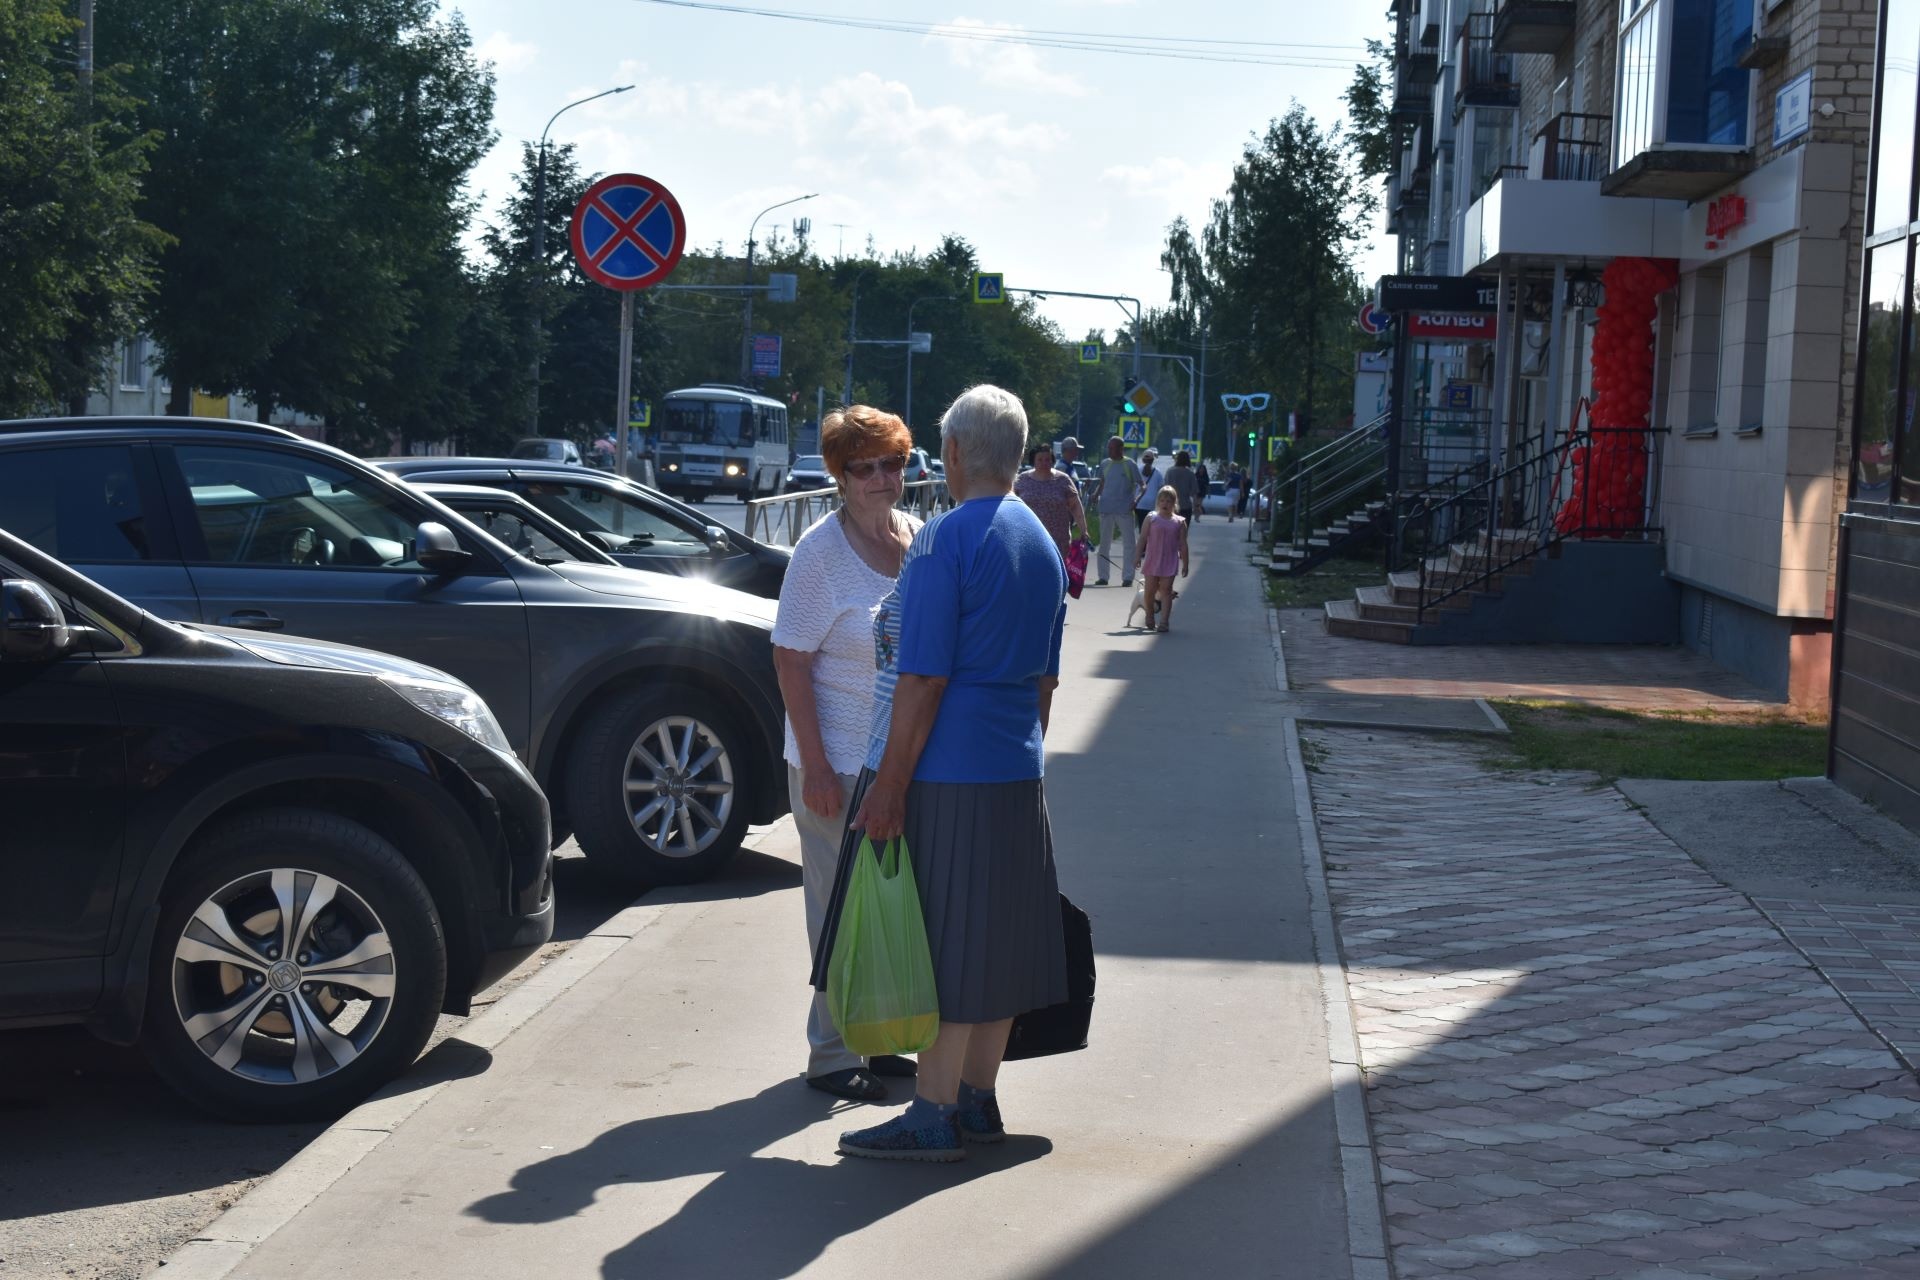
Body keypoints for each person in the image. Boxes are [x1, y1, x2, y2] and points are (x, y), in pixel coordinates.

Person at [825, 384, 1070, 1162]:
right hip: (1014, 769)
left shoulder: (942, 541)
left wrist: (890, 785)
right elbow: (1044, 683)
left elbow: (923, 679)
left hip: (946, 772)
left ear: (955, 453)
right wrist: (1022, 756)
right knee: (995, 944)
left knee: (948, 947)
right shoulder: (1041, 540)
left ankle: (931, 1113)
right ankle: (978, 1099)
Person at [771, 405, 924, 1104]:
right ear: (839, 475)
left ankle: (878, 1036)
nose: (882, 479)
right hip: (833, 759)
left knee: (887, 907)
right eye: (865, 467)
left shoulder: (914, 538)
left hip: (896, 764)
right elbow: (791, 661)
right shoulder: (819, 553)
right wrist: (820, 768)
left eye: (892, 463)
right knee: (837, 909)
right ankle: (830, 1055)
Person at [1013, 442, 1086, 557]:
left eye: (1047, 459)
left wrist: (1083, 529)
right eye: (1040, 459)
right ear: (1033, 461)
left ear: (1052, 460)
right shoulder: (1022, 480)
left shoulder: (1063, 480)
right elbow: (1011, 505)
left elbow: (1075, 505)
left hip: (1057, 539)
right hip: (1028, 537)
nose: (1044, 463)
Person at [1135, 484, 1189, 633]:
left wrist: (1186, 563)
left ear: (1174, 503)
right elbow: (1142, 539)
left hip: (1169, 562)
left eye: (1169, 501)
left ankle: (1164, 621)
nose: (1165, 504)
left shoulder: (1180, 522)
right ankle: (1150, 615)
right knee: (1150, 590)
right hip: (1152, 560)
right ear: (1158, 502)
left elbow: (1183, 544)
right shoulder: (1151, 518)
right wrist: (1137, 556)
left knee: (1166, 591)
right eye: (1163, 500)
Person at [1091, 435, 1140, 586]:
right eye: (1109, 448)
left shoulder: (1129, 464)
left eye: (1113, 448)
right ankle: (1103, 577)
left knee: (1129, 544)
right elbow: (1102, 482)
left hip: (1124, 510)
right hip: (1106, 508)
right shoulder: (1105, 464)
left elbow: (1141, 485)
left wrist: (1136, 500)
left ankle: (1128, 577)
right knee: (1104, 544)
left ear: (1121, 449)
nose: (1110, 451)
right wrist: (1096, 494)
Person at [1166, 450, 1198, 523]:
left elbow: (1165, 489)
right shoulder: (1190, 473)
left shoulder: (1170, 472)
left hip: (1171, 505)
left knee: (1171, 530)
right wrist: (1196, 507)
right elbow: (1194, 492)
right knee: (1183, 530)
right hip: (1185, 506)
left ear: (1177, 459)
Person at [1133, 449, 1162, 530]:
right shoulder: (1158, 473)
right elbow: (1161, 490)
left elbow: (1133, 486)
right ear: (1153, 460)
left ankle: (1142, 541)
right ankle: (1148, 542)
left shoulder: (1137, 470)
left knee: (1141, 527)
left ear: (1142, 460)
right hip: (1152, 504)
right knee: (1150, 528)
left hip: (1139, 502)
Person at [1193, 458, 1211, 523]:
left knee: (1199, 505)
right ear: (1199, 469)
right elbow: (1192, 483)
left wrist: (1209, 493)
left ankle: (1197, 517)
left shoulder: (1205, 477)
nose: (1201, 470)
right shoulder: (1196, 475)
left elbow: (1208, 485)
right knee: (1195, 505)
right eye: (1200, 469)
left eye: (1203, 469)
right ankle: (1195, 516)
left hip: (1202, 492)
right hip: (1195, 492)